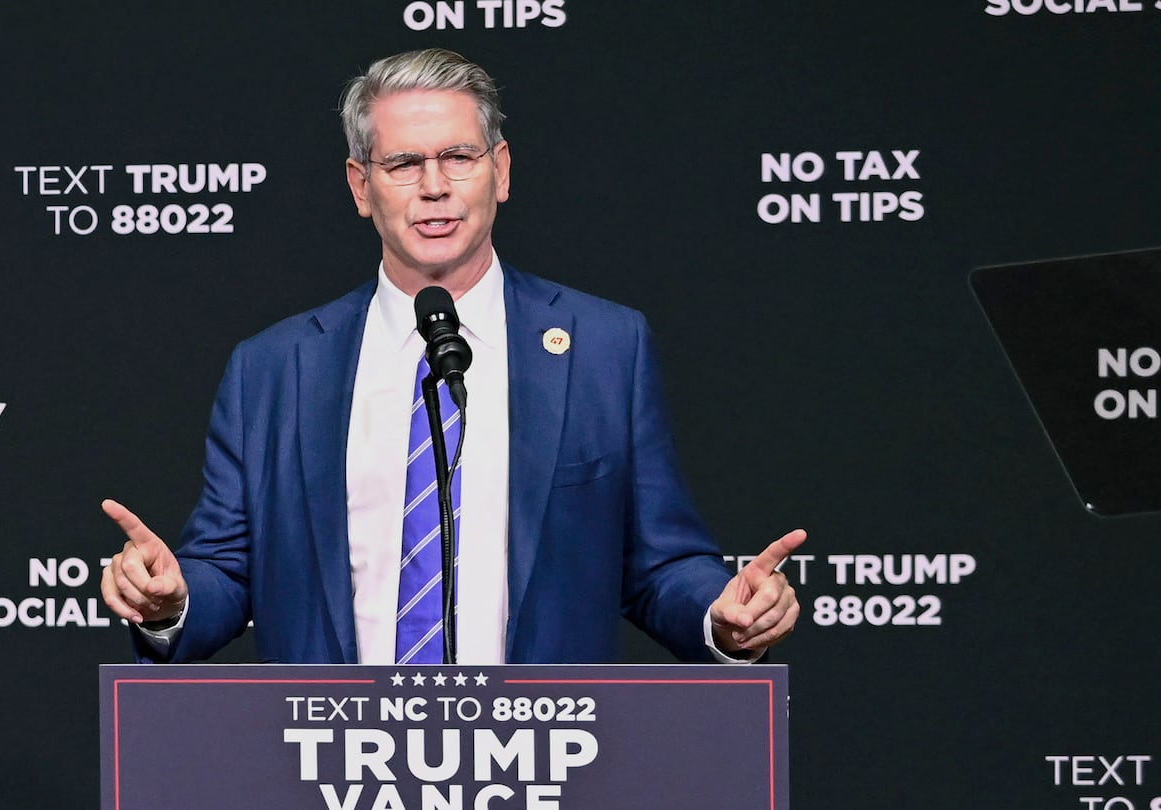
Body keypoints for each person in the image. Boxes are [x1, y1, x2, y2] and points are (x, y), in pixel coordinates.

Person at [99, 48, 804, 665]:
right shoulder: (274, 368)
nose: (434, 186)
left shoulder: (604, 348)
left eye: (458, 157)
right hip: (334, 764)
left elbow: (659, 564)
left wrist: (723, 616)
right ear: (360, 186)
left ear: (499, 170)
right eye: (404, 163)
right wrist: (170, 601)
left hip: (540, 761)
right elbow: (226, 571)